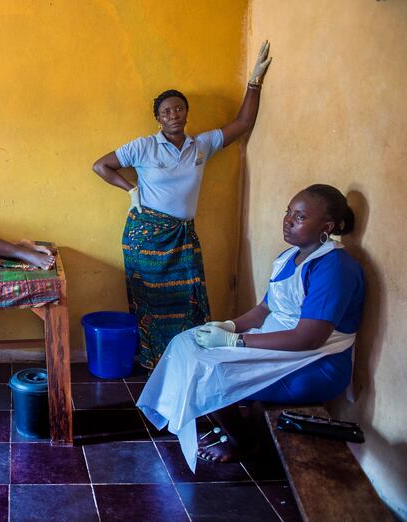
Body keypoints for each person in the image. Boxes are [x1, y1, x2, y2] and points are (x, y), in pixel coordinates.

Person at [137, 184, 364, 472]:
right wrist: (229, 325)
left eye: (300, 216)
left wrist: (235, 342)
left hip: (314, 362)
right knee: (186, 343)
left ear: (327, 226)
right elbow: (264, 310)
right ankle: (225, 423)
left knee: (212, 372)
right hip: (275, 344)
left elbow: (310, 337)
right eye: (288, 212)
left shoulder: (335, 268)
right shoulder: (288, 257)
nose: (288, 220)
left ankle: (242, 440)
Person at [92, 42, 273, 369]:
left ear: (186, 113)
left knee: (189, 297)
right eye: (166, 112)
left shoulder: (202, 145)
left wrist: (255, 81)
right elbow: (101, 166)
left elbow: (243, 122)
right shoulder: (144, 147)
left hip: (183, 236)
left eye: (178, 109)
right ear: (157, 119)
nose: (173, 115)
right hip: (145, 237)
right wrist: (131, 190)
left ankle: (187, 357)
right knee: (149, 301)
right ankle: (152, 359)